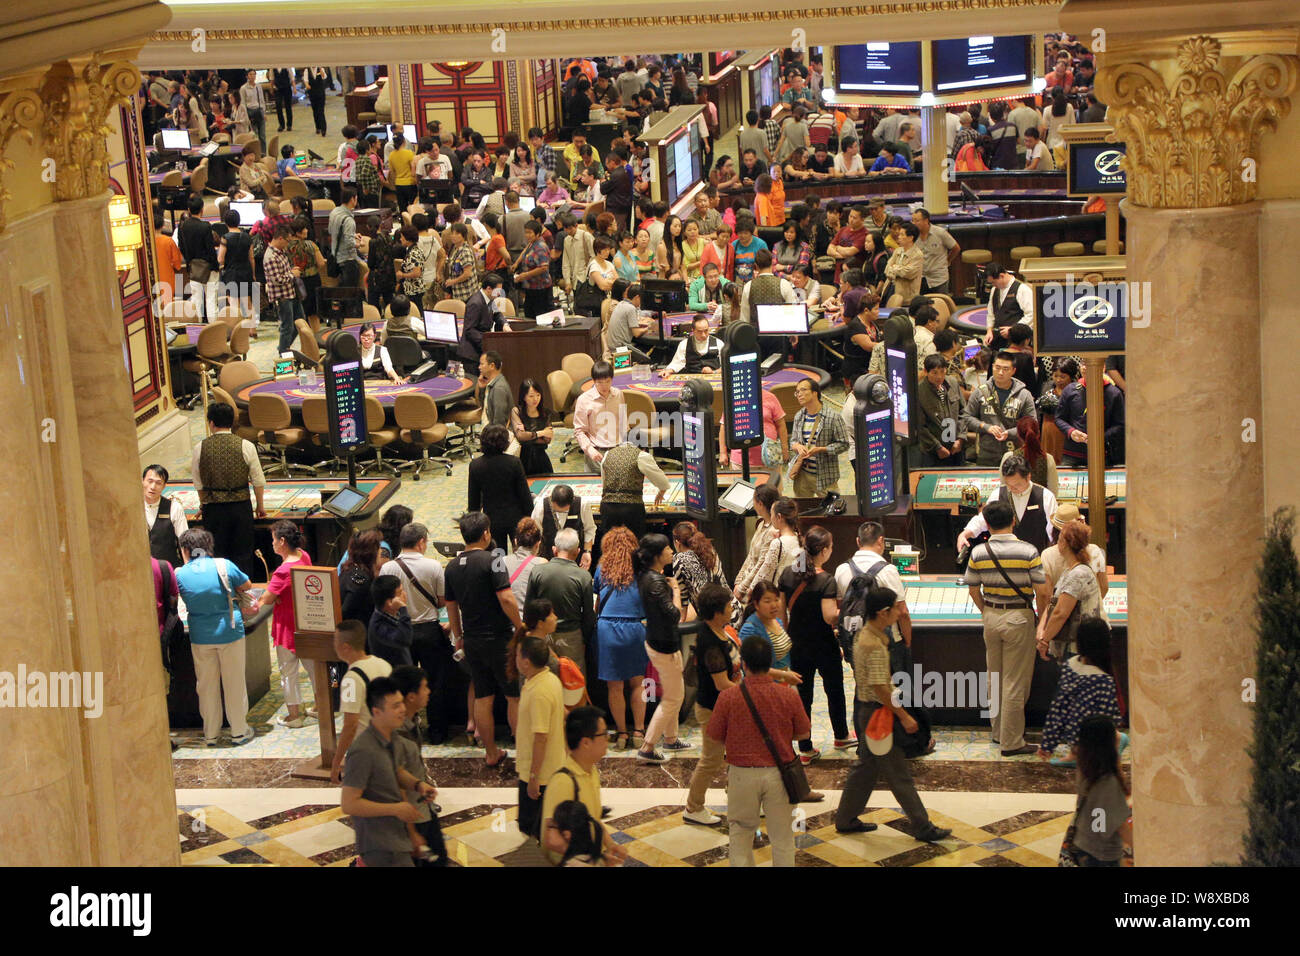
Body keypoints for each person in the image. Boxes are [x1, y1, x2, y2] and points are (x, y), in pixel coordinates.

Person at [834, 586, 952, 842]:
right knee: (898, 774)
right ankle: (922, 826)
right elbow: (880, 688)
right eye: (895, 608)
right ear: (883, 612)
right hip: (879, 714)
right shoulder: (873, 643)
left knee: (865, 768)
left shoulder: (866, 634)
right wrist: (904, 716)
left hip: (868, 712)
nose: (900, 612)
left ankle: (845, 818)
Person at [706, 635, 809, 866]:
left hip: (741, 774)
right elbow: (803, 733)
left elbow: (713, 735)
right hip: (779, 774)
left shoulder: (728, 697)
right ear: (769, 661)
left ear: (744, 664)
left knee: (740, 836)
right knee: (783, 837)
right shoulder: (788, 695)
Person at [964, 498, 1051, 756]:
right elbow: (1042, 591)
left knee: (995, 676)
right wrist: (1040, 616)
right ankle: (1012, 742)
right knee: (1015, 680)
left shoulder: (978, 552)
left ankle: (998, 732)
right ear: (1013, 520)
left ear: (987, 525)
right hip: (1019, 617)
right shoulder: (1028, 551)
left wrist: (987, 610)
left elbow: (972, 589)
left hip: (991, 616)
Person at [445, 511, 523, 766]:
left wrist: (459, 637)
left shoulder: (452, 566)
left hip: (472, 640)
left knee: (483, 697)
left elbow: (451, 605)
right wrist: (520, 626)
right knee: (513, 696)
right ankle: (522, 751)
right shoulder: (495, 559)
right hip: (499, 639)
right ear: (486, 533)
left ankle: (490, 753)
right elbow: (506, 598)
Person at [340, 676, 434, 867]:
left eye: (401, 703)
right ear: (377, 711)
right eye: (395, 706)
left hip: (398, 839)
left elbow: (394, 771)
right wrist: (394, 809)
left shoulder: (393, 740)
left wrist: (417, 784)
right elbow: (349, 804)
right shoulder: (362, 751)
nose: (402, 710)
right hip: (379, 846)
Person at [174, 529, 256, 746]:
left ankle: (211, 733)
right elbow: (247, 586)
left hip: (200, 636)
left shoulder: (180, 574)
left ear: (185, 550)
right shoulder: (223, 565)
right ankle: (239, 731)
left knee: (206, 686)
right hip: (230, 631)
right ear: (207, 546)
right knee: (234, 682)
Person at [779, 525, 854, 759]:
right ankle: (841, 736)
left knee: (804, 696)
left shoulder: (788, 574)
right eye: (831, 547)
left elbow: (782, 613)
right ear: (822, 550)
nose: (832, 551)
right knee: (834, 690)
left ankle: (805, 748)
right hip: (823, 643)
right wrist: (850, 611)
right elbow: (829, 616)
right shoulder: (826, 580)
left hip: (798, 643)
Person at [682, 583, 742, 826]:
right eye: (728, 606)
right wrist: (751, 691)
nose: (732, 609)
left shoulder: (722, 630)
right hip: (712, 709)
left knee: (735, 754)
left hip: (727, 706)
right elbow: (721, 683)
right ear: (717, 612)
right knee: (712, 759)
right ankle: (693, 807)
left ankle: (737, 799)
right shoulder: (709, 640)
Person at [541, 708, 629, 865]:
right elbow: (552, 839)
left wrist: (610, 845)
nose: (608, 739)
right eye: (603, 734)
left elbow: (593, 820)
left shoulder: (591, 770)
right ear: (586, 742)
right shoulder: (563, 782)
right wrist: (593, 859)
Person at [191, 402, 264, 579]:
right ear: (232, 423)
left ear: (211, 423)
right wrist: (259, 506)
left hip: (214, 510)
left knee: (216, 556)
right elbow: (258, 480)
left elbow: (198, 483)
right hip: (241, 508)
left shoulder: (200, 447)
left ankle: (222, 595)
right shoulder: (246, 445)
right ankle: (245, 595)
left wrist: (203, 503)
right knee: (243, 555)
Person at [834, 520, 914, 672]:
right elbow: (902, 612)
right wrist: (908, 642)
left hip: (855, 640)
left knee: (864, 686)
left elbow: (841, 608)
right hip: (887, 641)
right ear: (881, 540)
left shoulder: (841, 570)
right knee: (894, 690)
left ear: (858, 541)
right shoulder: (888, 570)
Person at [256, 520, 316, 726]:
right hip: (306, 621)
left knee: (288, 672)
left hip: (287, 626)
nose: (271, 544)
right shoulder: (303, 555)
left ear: (282, 541)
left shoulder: (282, 571)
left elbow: (266, 599)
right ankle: (321, 706)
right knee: (314, 668)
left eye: (273, 539)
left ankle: (294, 715)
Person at [514, 636, 567, 839]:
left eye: (518, 655)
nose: (515, 659)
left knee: (532, 827)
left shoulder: (539, 692)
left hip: (539, 772)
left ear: (526, 662)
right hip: (547, 767)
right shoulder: (548, 679)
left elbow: (541, 738)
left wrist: (534, 778)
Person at [1061, 715, 1132, 865]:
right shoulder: (1108, 783)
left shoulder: (1085, 766)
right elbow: (1121, 827)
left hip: (1082, 842)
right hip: (1102, 854)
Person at [330, 620, 394, 783]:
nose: (333, 645)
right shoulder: (384, 664)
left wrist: (337, 762)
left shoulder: (351, 680)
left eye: (335, 641)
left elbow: (351, 725)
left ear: (345, 647)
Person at [525, 528, 595, 674]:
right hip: (572, 637)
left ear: (554, 549)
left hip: (543, 635)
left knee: (543, 681)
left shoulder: (537, 571)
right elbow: (588, 615)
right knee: (573, 685)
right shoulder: (583, 576)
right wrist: (585, 640)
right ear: (577, 552)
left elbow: (529, 609)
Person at [959, 454, 1060, 554]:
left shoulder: (1046, 496)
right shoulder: (998, 494)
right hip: (1005, 558)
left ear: (1028, 477)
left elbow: (1053, 531)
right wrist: (964, 534)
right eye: (1009, 485)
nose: (1012, 489)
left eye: (1017, 485)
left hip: (1036, 558)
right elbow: (983, 520)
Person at [1036, 520, 1105, 662]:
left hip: (1078, 647)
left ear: (1066, 544)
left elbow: (1061, 612)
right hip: (1072, 644)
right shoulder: (1070, 570)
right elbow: (1053, 604)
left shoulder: (1078, 574)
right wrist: (1042, 629)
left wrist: (1044, 639)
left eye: (1060, 539)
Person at [962, 351, 1038, 466]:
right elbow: (967, 417)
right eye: (997, 368)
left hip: (1015, 453)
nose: (1001, 372)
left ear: (1013, 371)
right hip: (986, 454)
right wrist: (986, 427)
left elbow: (1032, 423)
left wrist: (1010, 433)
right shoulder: (981, 391)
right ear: (992, 367)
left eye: (1006, 369)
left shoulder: (1024, 394)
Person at [467, 423, 534, 552]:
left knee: (497, 559)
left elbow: (473, 500)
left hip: (491, 519)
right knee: (522, 554)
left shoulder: (475, 465)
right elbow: (524, 494)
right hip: (516, 518)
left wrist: (474, 524)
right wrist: (530, 517)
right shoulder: (514, 462)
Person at [598, 429, 670, 542]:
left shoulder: (608, 454)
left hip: (608, 507)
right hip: (631, 509)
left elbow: (604, 482)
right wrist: (661, 492)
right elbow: (662, 482)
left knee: (610, 545)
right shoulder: (641, 455)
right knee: (633, 545)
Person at [789, 377, 850, 498]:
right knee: (803, 511)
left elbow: (844, 444)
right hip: (802, 475)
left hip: (825, 476)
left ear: (815, 393)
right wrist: (797, 446)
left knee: (830, 513)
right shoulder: (799, 416)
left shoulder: (833, 417)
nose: (799, 394)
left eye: (803, 390)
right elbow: (793, 441)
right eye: (797, 392)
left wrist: (822, 449)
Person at [1056, 366, 1126, 467]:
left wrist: (1101, 437)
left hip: (1102, 453)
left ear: (1103, 367)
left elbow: (1120, 424)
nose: (1085, 367)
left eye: (1088, 362)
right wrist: (1071, 432)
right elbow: (1059, 418)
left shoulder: (1114, 393)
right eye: (1083, 363)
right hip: (1072, 455)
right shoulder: (1070, 390)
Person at [1043, 503, 1109, 598]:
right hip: (1092, 610)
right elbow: (1104, 587)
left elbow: (1046, 594)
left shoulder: (1047, 555)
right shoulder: (1095, 551)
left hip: (1061, 610)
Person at [733, 483, 782, 606]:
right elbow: (750, 556)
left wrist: (742, 588)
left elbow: (761, 563)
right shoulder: (761, 524)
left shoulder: (773, 531)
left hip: (757, 587)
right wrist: (738, 581)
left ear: (760, 504)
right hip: (745, 582)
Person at [572, 360, 625, 473]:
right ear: (593, 380)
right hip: (596, 452)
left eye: (608, 381)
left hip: (617, 449)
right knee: (596, 487)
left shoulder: (618, 394)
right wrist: (589, 449)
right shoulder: (584, 400)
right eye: (600, 382)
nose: (604, 386)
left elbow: (623, 422)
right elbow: (579, 431)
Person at [530, 485, 596, 570]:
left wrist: (587, 552)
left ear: (572, 501)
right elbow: (535, 534)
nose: (561, 513)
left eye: (565, 511)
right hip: (548, 558)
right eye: (556, 510)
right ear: (551, 500)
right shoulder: (541, 506)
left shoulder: (582, 504)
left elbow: (589, 529)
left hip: (575, 558)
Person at [917, 353, 966, 466]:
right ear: (925, 371)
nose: (939, 377)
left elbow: (963, 412)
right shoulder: (919, 392)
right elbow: (920, 425)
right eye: (934, 373)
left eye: (942, 372)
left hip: (956, 446)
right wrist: (937, 447)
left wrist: (960, 438)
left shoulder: (952, 383)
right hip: (933, 450)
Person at [143, 464, 187, 567]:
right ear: (142, 481)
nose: (153, 487)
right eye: (150, 481)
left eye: (158, 483)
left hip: (167, 569)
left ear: (164, 486)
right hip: (140, 570)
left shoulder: (174, 507)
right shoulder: (132, 508)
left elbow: (184, 542)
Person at [510, 378, 554, 476]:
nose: (535, 399)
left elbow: (547, 439)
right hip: (523, 459)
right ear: (524, 397)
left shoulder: (545, 413)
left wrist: (528, 435)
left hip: (541, 458)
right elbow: (520, 437)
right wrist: (541, 433)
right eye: (531, 396)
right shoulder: (517, 411)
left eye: (538, 395)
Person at [339, 529, 383, 628]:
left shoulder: (349, 569)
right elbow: (345, 612)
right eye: (379, 548)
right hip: (357, 636)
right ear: (371, 552)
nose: (381, 551)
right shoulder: (360, 580)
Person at [910, 208, 959, 295]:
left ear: (926, 220)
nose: (914, 223)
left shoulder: (940, 233)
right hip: (920, 278)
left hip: (939, 278)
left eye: (917, 221)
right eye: (912, 220)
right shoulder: (913, 235)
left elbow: (956, 248)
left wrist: (948, 261)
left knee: (941, 304)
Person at [984, 261, 1034, 346]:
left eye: (993, 282)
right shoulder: (994, 290)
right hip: (998, 338)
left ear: (1001, 276)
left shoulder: (1022, 289)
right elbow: (991, 314)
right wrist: (989, 331)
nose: (993, 285)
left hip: (1017, 340)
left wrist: (1013, 330)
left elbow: (1031, 314)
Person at [884, 221, 925, 301]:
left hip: (907, 298)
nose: (898, 237)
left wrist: (894, 268)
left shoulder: (917, 255)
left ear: (911, 238)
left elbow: (908, 273)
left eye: (902, 235)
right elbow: (887, 269)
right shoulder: (897, 251)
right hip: (891, 289)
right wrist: (898, 270)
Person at [476, 349, 511, 429]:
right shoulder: (492, 383)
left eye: (482, 364)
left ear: (492, 366)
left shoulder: (498, 389)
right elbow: (482, 406)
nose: (479, 367)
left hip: (495, 436)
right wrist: (482, 388)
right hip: (488, 430)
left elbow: (499, 425)